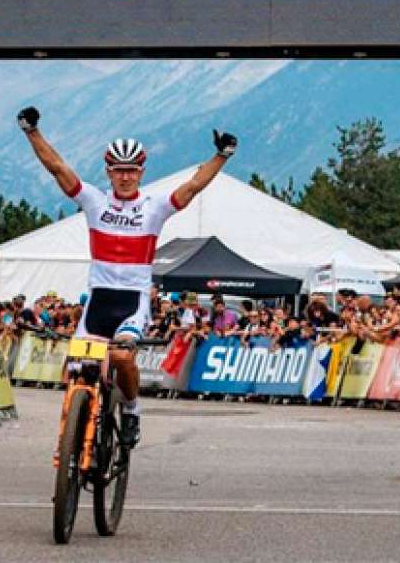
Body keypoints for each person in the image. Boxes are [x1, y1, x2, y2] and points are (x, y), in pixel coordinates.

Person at [18, 104, 236, 447]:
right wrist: (31, 131)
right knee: (76, 367)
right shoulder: (93, 202)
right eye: (119, 170)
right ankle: (77, 430)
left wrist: (222, 155)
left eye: (132, 171)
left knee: (120, 356)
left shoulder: (154, 207)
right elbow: (57, 167)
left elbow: (193, 186)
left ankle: (132, 410)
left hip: (132, 300)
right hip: (98, 299)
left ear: (142, 172)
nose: (125, 177)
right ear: (108, 172)